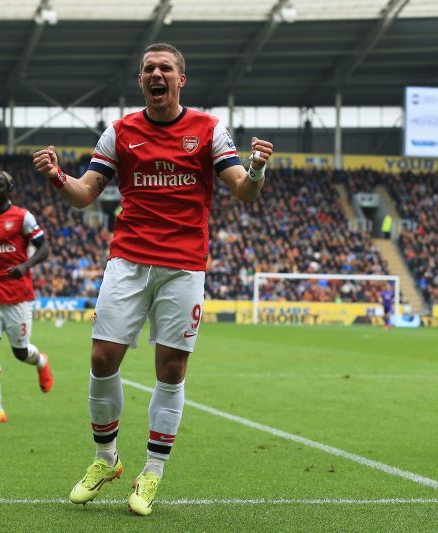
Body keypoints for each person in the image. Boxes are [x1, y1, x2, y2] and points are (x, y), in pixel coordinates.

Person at [33, 42, 273, 515]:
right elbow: (85, 194)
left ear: (181, 80)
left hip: (184, 264)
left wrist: (259, 168)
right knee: (103, 356)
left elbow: (243, 191)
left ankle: (152, 474)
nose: (156, 74)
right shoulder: (120, 132)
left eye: (165, 68)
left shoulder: (208, 130)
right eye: (149, 69)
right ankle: (106, 459)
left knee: (171, 369)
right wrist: (58, 176)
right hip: (128, 259)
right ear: (140, 80)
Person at [0, 170, 53, 424]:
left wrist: (26, 266)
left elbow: (44, 248)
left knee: (20, 352)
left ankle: (40, 361)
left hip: (17, 296)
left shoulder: (22, 217)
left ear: (9, 189)